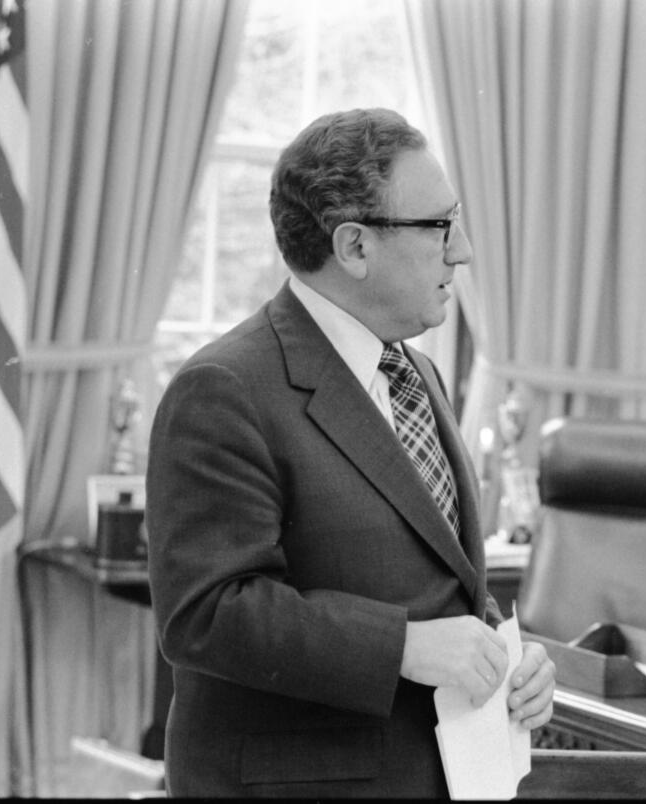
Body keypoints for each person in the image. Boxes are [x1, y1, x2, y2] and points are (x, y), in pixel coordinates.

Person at [146, 108, 555, 798]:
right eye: (440, 227)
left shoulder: (417, 375)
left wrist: (507, 659)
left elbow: (437, 582)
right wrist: (404, 647)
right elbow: (207, 615)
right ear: (355, 247)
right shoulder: (224, 388)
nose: (462, 253)